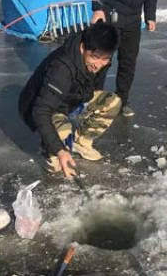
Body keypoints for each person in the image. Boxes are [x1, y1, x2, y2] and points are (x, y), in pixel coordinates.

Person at [19, 22, 121, 178]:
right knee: (57, 164)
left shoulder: (101, 61)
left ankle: (81, 142)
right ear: (82, 48)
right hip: (45, 107)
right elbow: (40, 111)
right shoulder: (61, 69)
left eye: (105, 59)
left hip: (73, 99)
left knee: (112, 102)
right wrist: (59, 150)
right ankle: (48, 151)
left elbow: (95, 86)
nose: (99, 65)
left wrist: (86, 103)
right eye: (95, 57)